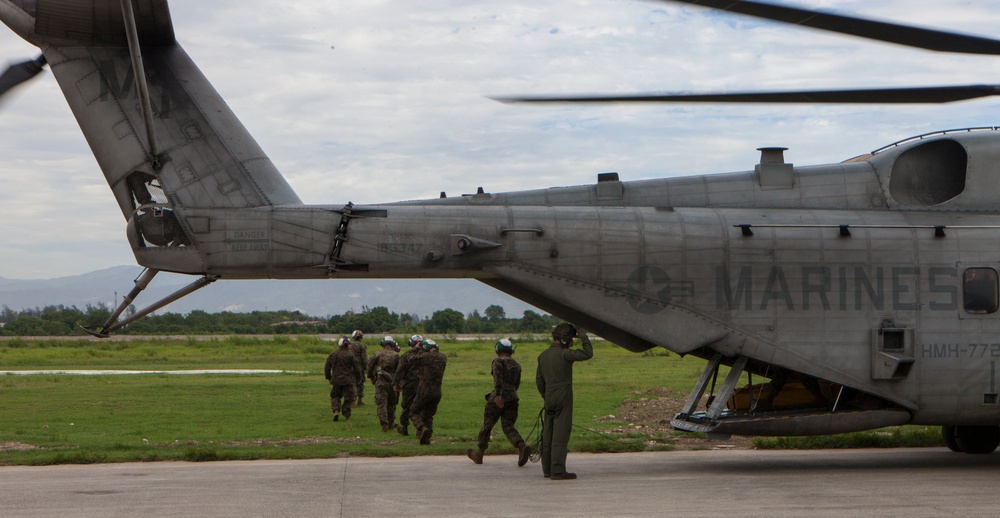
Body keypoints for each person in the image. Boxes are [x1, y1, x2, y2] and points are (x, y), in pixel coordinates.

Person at [536, 323, 593, 480]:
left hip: (548, 397)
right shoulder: (565, 355)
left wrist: (546, 396)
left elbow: (539, 381)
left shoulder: (543, 356)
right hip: (563, 396)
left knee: (548, 433)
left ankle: (547, 469)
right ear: (564, 339)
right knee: (561, 434)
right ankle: (558, 470)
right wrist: (583, 336)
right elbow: (588, 353)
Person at [467, 338, 531, 466]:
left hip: (498, 399)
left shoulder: (497, 361)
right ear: (511, 350)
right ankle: (521, 445)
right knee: (508, 426)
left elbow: (498, 379)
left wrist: (497, 395)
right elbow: (516, 384)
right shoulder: (517, 364)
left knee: (487, 425)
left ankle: (479, 453)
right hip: (513, 398)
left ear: (497, 350)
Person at [408, 339, 447, 445]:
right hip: (437, 391)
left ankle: (422, 428)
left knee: (413, 411)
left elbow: (411, 360)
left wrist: (416, 349)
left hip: (424, 390)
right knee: (428, 415)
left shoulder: (425, 357)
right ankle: (427, 438)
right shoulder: (443, 357)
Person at [324, 336, 363, 421]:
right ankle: (346, 413)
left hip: (336, 380)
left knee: (335, 396)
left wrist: (328, 377)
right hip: (348, 380)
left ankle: (336, 410)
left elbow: (327, 367)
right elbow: (356, 367)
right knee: (349, 398)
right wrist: (359, 377)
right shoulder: (351, 355)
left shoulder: (333, 354)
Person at [392, 334, 424, 436]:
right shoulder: (426, 355)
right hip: (423, 384)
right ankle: (420, 430)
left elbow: (399, 370)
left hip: (409, 384)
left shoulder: (406, 355)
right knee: (421, 407)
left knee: (406, 406)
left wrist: (396, 383)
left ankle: (405, 428)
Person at [367, 335, 401, 432]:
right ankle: (391, 422)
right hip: (393, 382)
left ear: (383, 344)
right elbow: (400, 369)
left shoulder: (377, 354)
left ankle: (384, 423)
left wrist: (372, 377)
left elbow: (369, 366)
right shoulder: (396, 355)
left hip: (381, 381)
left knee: (381, 403)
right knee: (392, 403)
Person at [349, 329, 368, 406]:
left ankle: (352, 400)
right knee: (360, 383)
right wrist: (367, 368)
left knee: (351, 383)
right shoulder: (362, 345)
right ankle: (359, 400)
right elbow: (364, 358)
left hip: (350, 367)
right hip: (359, 367)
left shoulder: (348, 343)